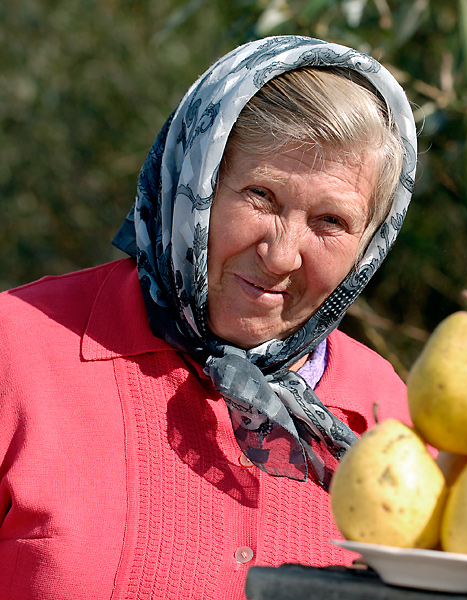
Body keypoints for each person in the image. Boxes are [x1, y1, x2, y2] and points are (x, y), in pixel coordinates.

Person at [0, 35, 417, 599]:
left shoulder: (389, 414)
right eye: (262, 196)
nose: (281, 254)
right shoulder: (18, 352)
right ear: (191, 184)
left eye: (330, 222)